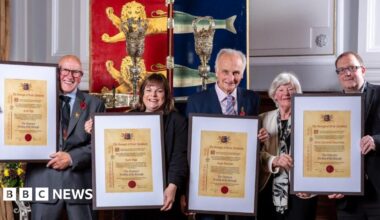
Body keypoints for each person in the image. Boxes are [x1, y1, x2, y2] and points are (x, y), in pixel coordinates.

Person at [85, 73, 188, 220]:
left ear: (166, 95)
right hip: (133, 195)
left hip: (164, 194)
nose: (153, 95)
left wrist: (173, 187)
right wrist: (94, 131)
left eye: (159, 91)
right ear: (142, 94)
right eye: (148, 90)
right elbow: (111, 145)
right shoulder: (130, 117)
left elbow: (179, 158)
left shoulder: (177, 121)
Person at [25, 55, 105, 220]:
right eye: (65, 70)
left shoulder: (95, 104)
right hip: (43, 181)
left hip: (80, 184)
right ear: (56, 72)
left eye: (76, 72)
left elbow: (101, 145)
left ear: (81, 76)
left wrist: (71, 157)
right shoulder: (34, 99)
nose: (70, 76)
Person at [186, 48, 261, 220]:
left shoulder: (252, 99)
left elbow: (255, 142)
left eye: (236, 72)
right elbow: (189, 149)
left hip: (240, 182)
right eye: (225, 72)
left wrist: (260, 136)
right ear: (216, 72)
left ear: (242, 74)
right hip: (208, 183)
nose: (230, 78)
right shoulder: (196, 102)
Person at [257, 72, 317, 220]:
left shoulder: (310, 119)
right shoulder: (262, 119)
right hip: (267, 189)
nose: (286, 93)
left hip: (301, 190)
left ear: (298, 93)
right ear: (274, 95)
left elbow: (318, 154)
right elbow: (252, 155)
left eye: (291, 89)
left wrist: (310, 186)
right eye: (281, 89)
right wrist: (274, 160)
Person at [328, 51, 380, 219]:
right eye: (341, 70)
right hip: (346, 195)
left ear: (363, 70)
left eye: (352, 68)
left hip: (377, 191)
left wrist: (376, 140)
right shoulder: (329, 106)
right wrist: (329, 184)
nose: (347, 73)